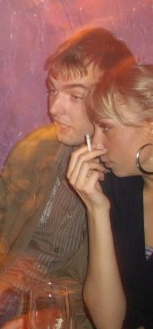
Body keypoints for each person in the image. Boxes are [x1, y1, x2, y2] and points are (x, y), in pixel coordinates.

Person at [0, 27, 135, 329]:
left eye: (75, 95)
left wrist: (51, 317)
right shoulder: (34, 148)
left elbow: (121, 292)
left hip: (58, 314)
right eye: (52, 90)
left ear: (111, 99)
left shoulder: (125, 178)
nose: (54, 108)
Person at [67, 63, 153, 329]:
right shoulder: (119, 187)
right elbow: (108, 321)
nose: (96, 144)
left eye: (106, 127)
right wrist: (97, 210)